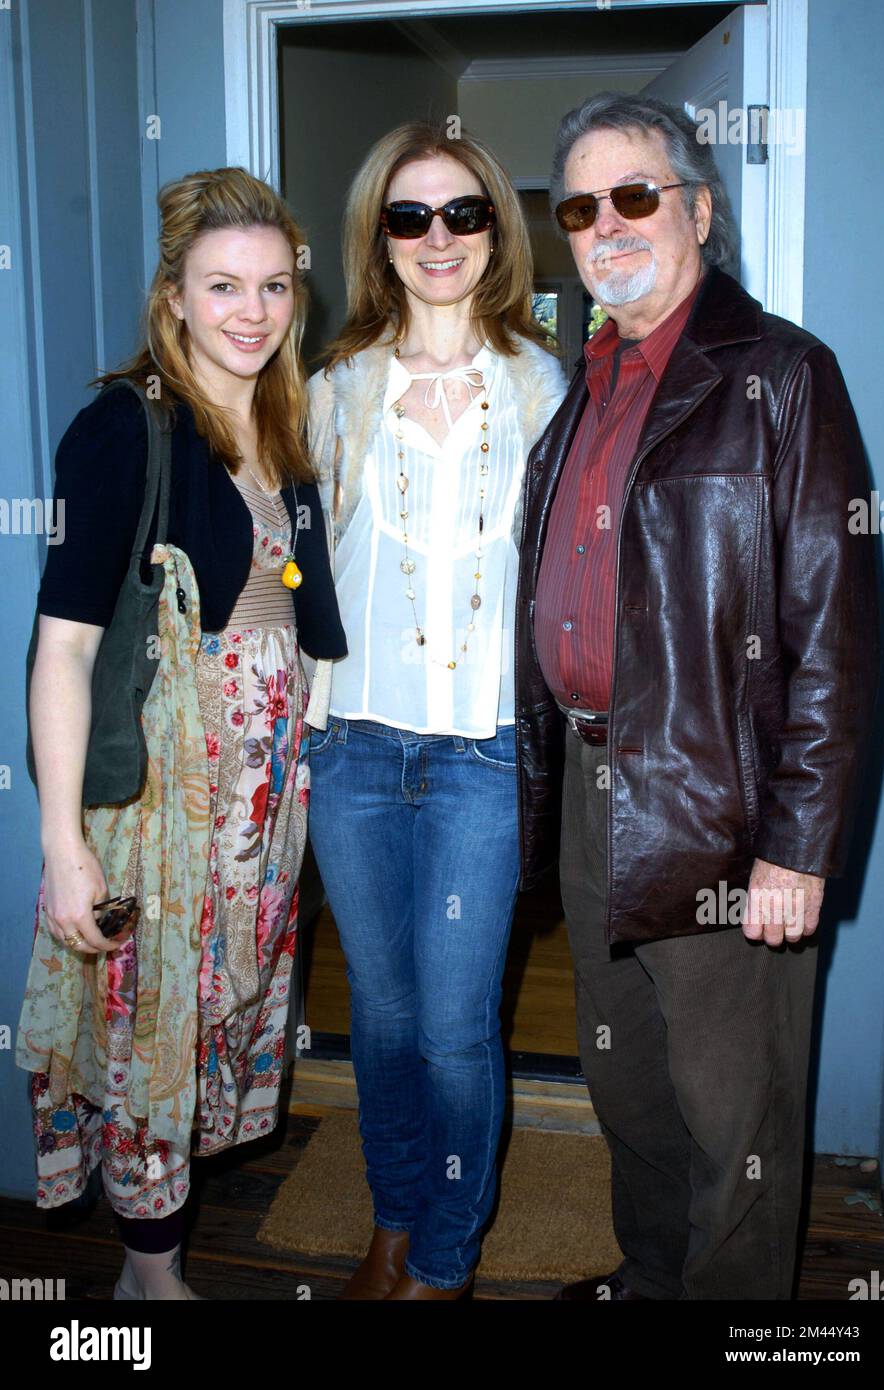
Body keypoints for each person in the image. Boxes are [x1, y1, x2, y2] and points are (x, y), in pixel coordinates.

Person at [514, 92, 879, 1301]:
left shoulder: (781, 376)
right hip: (589, 788)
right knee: (631, 1091)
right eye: (580, 205)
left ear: (700, 210)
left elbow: (835, 633)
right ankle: (651, 1279)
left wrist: (797, 847)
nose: (606, 225)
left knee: (740, 1123)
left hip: (720, 805)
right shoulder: (584, 388)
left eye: (635, 196)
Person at [16, 167, 346, 1299]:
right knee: (149, 1022)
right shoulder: (125, 426)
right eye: (222, 287)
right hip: (164, 805)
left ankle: (159, 1254)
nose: (251, 312)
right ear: (174, 297)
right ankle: (147, 1280)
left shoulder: (285, 425)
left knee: (216, 1019)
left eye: (271, 287)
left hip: (264, 806)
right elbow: (62, 646)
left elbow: (296, 606)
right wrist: (65, 846)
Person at [305, 121, 565, 1300]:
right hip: (352, 751)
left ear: (493, 229)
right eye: (409, 217)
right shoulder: (332, 388)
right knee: (383, 1017)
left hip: (484, 759)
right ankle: (395, 1219)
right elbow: (286, 569)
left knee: (458, 1028)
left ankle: (447, 1260)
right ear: (380, 238)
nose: (438, 238)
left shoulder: (546, 385)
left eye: (462, 212)